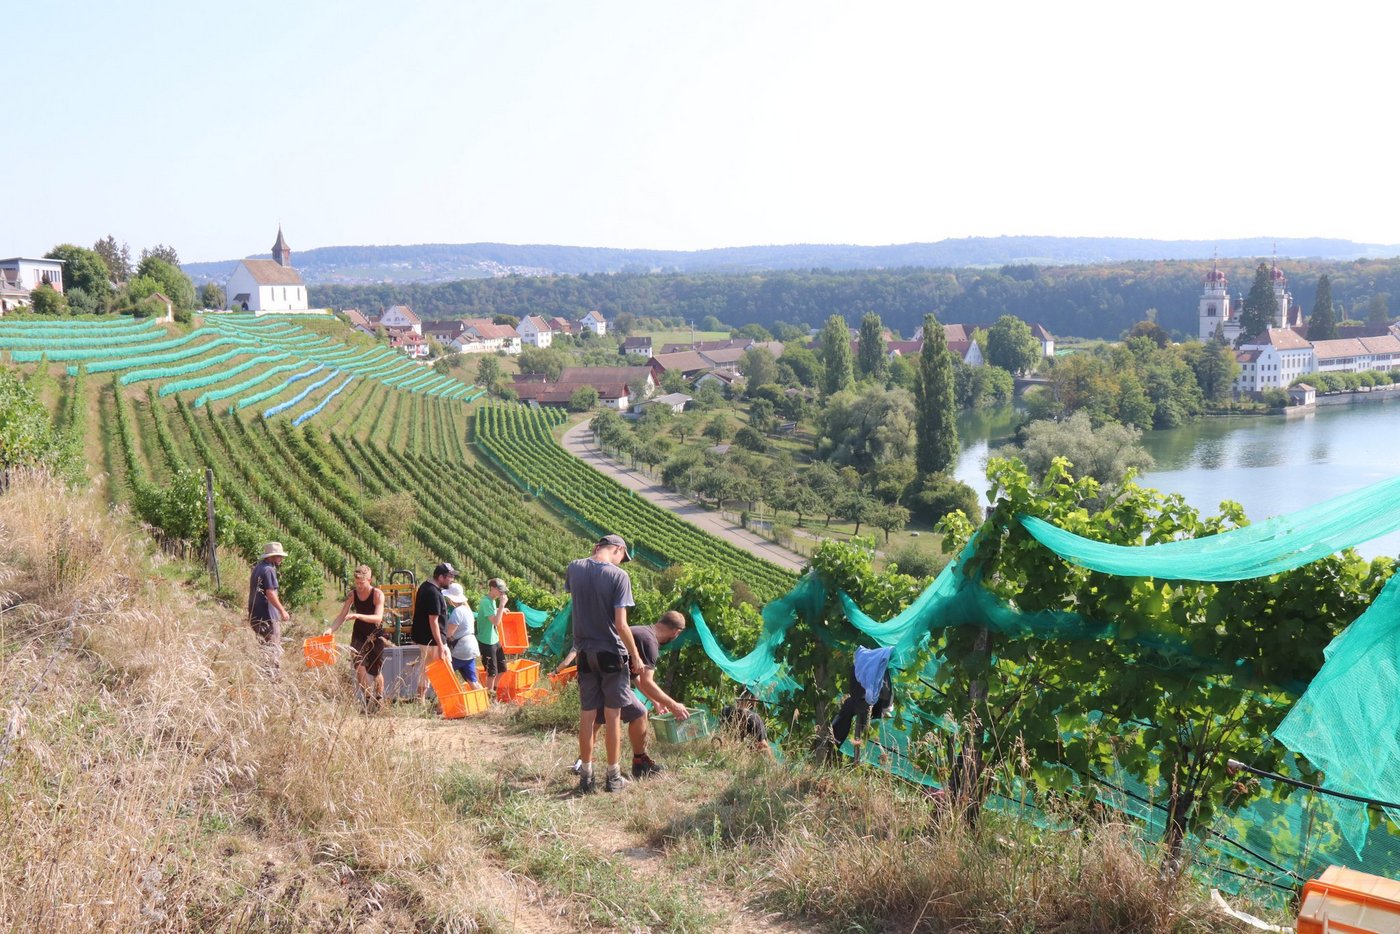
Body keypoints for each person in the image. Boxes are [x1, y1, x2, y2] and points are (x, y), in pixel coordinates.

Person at [558, 609, 692, 778]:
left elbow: (634, 676)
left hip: (592, 669)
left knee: (596, 719)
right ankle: (639, 763)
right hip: (610, 676)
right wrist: (674, 705)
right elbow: (647, 681)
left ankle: (582, 763)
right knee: (639, 713)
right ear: (676, 632)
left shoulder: (640, 631)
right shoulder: (649, 642)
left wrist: (655, 701)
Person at [566, 534, 643, 793]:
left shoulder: (574, 568)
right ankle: (613, 777)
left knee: (587, 715)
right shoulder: (619, 576)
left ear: (596, 547)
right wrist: (635, 655)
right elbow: (621, 625)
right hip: (611, 653)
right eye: (623, 557)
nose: (622, 562)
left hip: (584, 653)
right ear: (618, 550)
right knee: (612, 716)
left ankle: (586, 776)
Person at [325, 565, 388, 709]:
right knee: (359, 666)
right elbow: (342, 615)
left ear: (369, 580)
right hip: (359, 633)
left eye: (362, 583)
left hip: (375, 634)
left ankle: (378, 699)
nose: (358, 586)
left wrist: (357, 615)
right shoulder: (352, 595)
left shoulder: (378, 594)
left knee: (376, 671)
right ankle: (367, 700)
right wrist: (330, 629)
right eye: (356, 583)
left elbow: (378, 618)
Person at [830, 646, 894, 763]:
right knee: (848, 709)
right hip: (865, 703)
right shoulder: (868, 667)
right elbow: (855, 692)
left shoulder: (878, 669)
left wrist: (869, 694)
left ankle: (833, 743)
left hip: (875, 706)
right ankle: (833, 743)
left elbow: (885, 696)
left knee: (849, 708)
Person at [410, 562, 456, 703]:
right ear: (441, 577)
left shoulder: (424, 587)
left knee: (425, 670)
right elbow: (433, 621)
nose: (452, 580)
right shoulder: (434, 593)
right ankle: (445, 705)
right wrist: (441, 645)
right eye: (450, 577)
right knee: (446, 672)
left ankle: (420, 701)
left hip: (424, 640)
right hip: (435, 641)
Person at [247, 542, 291, 676]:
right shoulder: (269, 570)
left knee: (264, 649)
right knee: (273, 649)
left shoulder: (258, 567)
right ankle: (273, 680)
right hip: (268, 616)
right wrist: (282, 610)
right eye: (279, 556)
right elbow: (270, 593)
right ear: (271, 556)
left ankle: (264, 677)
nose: (281, 558)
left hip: (256, 614)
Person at [442, 582, 481, 688]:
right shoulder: (467, 610)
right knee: (472, 680)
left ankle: (447, 698)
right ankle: (483, 698)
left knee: (446, 675)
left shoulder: (457, 611)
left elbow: (449, 633)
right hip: (471, 647)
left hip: (461, 648)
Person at [720, 690, 778, 761]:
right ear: (753, 699)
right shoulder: (754, 718)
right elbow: (763, 746)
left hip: (722, 754)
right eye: (756, 698)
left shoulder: (725, 710)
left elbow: (721, 732)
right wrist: (773, 763)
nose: (757, 701)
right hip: (740, 761)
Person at [476, 578, 509, 694]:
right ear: (492, 588)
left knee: (503, 668)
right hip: (486, 641)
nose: (502, 593)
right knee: (492, 672)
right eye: (500, 590)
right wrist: (502, 605)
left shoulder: (491, 601)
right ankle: (490, 695)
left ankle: (492, 691)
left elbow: (491, 612)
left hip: (494, 639)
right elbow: (496, 622)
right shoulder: (485, 602)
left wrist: (499, 609)